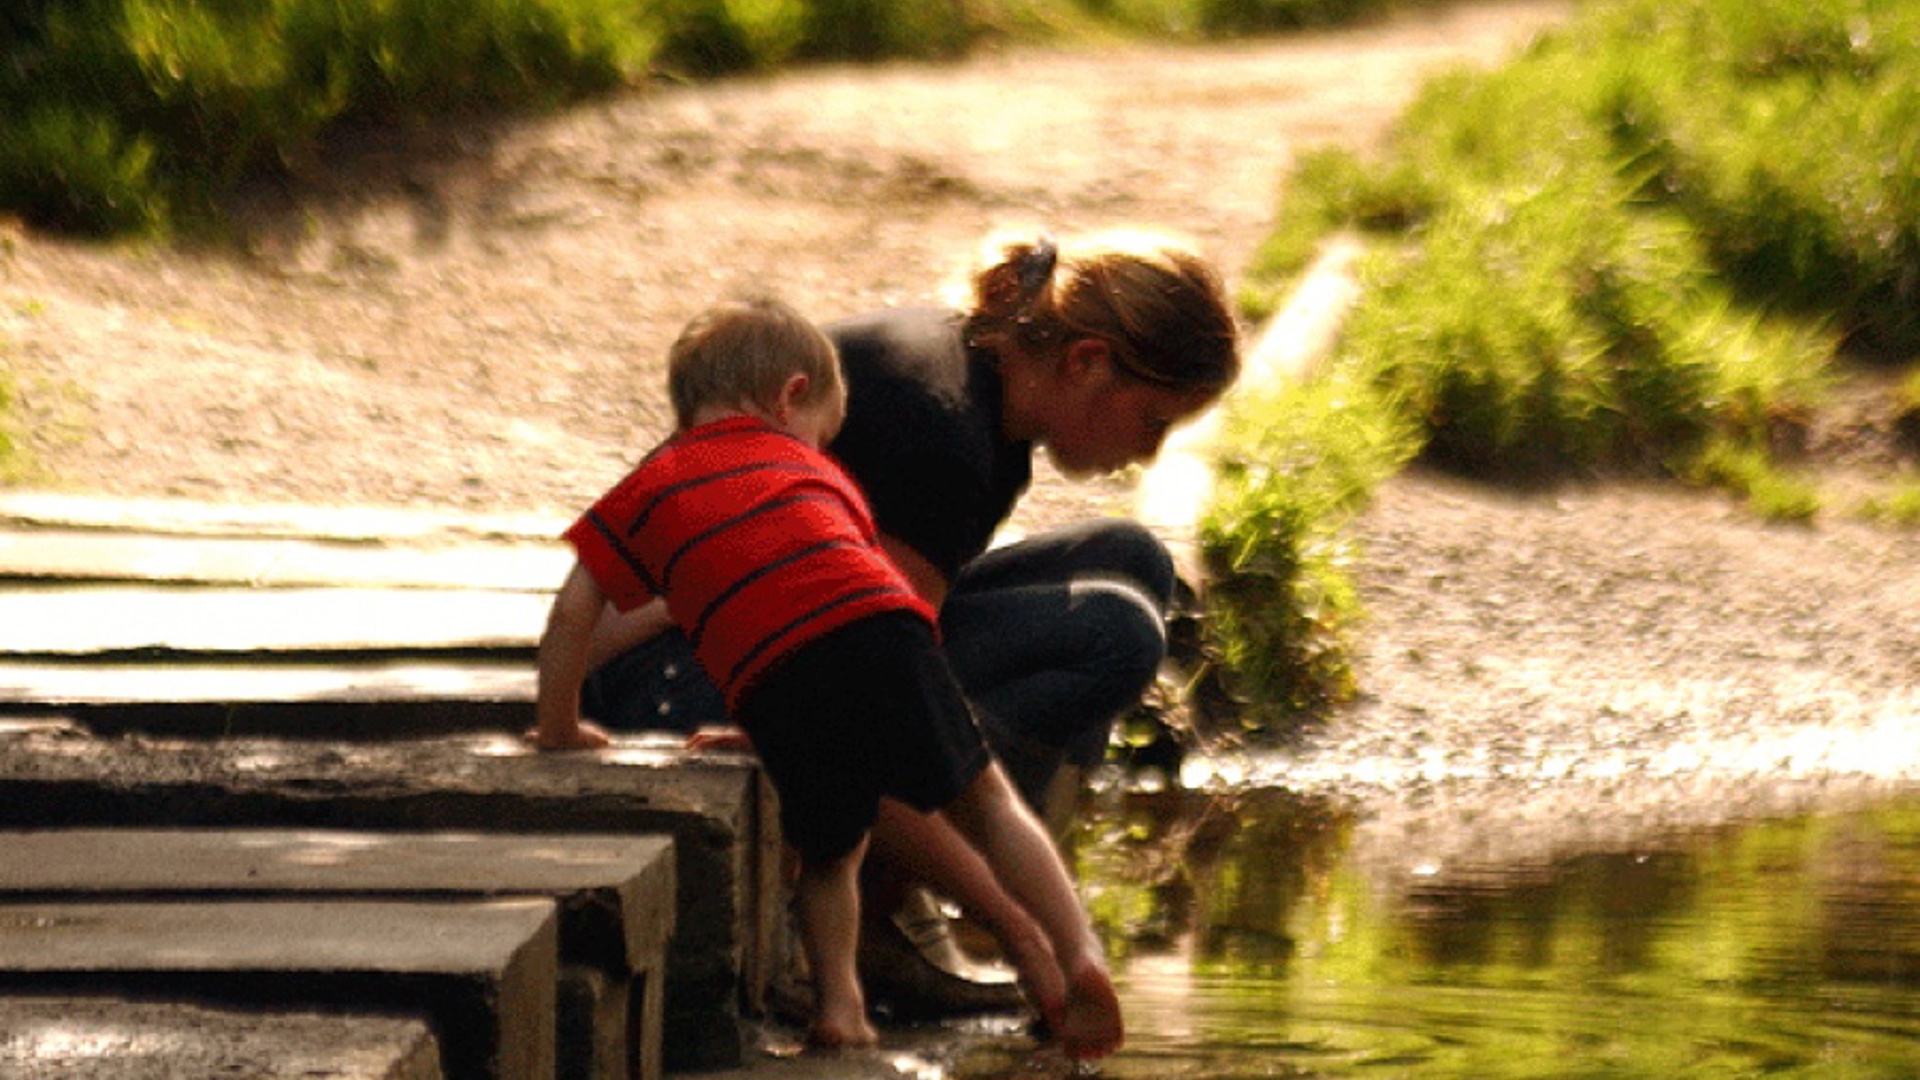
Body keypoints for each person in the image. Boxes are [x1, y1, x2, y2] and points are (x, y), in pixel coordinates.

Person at [579, 227, 1241, 1013]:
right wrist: (1026, 925)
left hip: (738, 644)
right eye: (1154, 422)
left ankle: (910, 896)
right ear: (1088, 361)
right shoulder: (947, 437)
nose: (1152, 454)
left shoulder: (985, 388)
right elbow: (875, 711)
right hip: (669, 681)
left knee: (1135, 562)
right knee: (1112, 632)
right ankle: (876, 913)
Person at [530, 296, 1124, 1057]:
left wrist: (558, 725)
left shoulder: (650, 489)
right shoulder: (814, 470)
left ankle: (841, 1008)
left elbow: (576, 613)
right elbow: (823, 586)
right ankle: (1078, 949)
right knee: (989, 803)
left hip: (776, 674)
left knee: (828, 857)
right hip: (888, 630)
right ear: (792, 398)